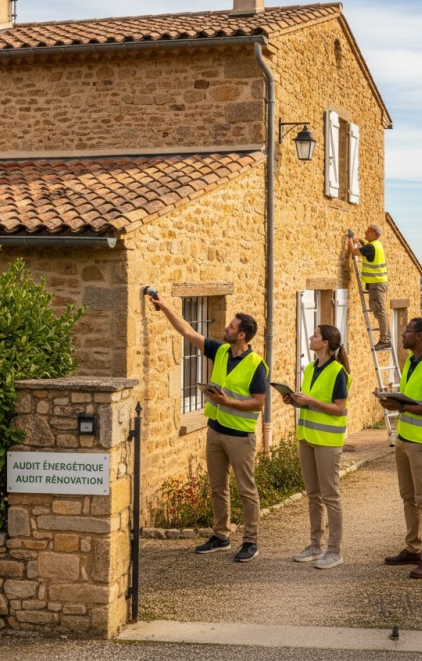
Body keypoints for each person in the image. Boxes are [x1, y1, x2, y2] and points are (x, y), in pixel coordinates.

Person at [151, 292, 267, 563]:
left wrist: (228, 402)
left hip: (240, 437)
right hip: (215, 431)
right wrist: (166, 306)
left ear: (242, 336)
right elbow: (188, 332)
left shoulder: (256, 365)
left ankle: (250, 541)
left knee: (246, 490)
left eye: (231, 327)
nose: (226, 328)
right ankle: (221, 536)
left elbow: (258, 404)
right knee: (217, 486)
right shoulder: (221, 350)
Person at [379, 317, 422, 579]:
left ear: (418, 336)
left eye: (407, 331)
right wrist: (394, 397)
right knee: (408, 497)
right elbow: (413, 397)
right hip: (405, 440)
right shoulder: (411, 361)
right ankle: (413, 548)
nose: (403, 334)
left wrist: (401, 407)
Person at [283, 325, 351, 570]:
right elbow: (311, 404)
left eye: (315, 335)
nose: (311, 338)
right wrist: (295, 401)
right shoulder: (311, 368)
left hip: (328, 443)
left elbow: (338, 408)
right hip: (307, 438)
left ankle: (335, 551)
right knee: (313, 495)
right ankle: (315, 545)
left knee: (330, 496)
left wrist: (309, 400)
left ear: (325, 343)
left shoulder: (338, 372)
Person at [347, 224, 390, 351]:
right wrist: (360, 241)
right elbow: (366, 248)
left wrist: (350, 238)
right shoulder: (376, 245)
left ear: (375, 234)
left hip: (377, 284)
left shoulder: (371, 247)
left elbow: (353, 251)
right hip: (377, 283)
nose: (366, 231)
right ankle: (386, 338)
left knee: (379, 311)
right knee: (378, 310)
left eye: (369, 230)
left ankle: (384, 340)